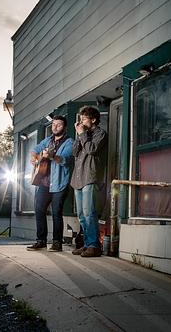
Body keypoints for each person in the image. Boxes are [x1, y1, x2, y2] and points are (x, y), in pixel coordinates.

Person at [27, 115, 73, 252]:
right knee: (39, 210)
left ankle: (57, 243)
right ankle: (40, 241)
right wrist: (35, 159)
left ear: (64, 127)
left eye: (58, 125)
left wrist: (52, 156)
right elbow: (35, 151)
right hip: (44, 183)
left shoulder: (69, 142)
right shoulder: (47, 140)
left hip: (59, 183)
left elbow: (65, 159)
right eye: (53, 124)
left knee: (56, 213)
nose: (55, 127)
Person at [70, 106, 107, 257]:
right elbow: (74, 152)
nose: (81, 121)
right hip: (77, 178)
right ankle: (86, 244)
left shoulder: (100, 133)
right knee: (81, 215)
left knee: (89, 213)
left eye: (84, 118)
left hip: (90, 177)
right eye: (80, 119)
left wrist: (82, 134)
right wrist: (79, 135)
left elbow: (92, 149)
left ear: (93, 119)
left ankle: (94, 245)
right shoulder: (82, 134)